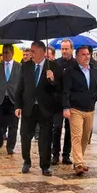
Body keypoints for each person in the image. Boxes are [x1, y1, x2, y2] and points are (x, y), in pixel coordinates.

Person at [62, 46, 97, 176]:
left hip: (90, 109)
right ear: (77, 57)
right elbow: (66, 91)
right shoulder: (70, 72)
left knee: (85, 137)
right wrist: (66, 107)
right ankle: (78, 163)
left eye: (88, 54)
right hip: (75, 109)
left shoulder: (95, 71)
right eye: (83, 54)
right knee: (77, 136)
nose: (87, 56)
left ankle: (79, 160)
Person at [15, 41, 61, 176]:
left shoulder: (53, 67)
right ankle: (26, 161)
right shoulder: (26, 66)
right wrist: (18, 106)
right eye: (30, 51)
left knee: (45, 138)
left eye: (33, 51)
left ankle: (45, 166)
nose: (31, 54)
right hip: (28, 108)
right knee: (25, 136)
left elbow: (59, 89)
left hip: (45, 108)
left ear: (42, 52)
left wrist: (52, 80)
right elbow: (20, 87)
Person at [0, 44, 21, 154]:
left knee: (13, 124)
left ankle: (10, 146)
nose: (5, 55)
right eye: (3, 52)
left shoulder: (19, 67)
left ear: (12, 53)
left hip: (13, 99)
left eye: (7, 52)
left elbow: (22, 84)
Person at [52, 38, 76, 165]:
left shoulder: (76, 64)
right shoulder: (56, 63)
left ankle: (66, 155)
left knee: (69, 130)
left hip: (71, 102)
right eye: (62, 49)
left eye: (66, 49)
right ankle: (55, 154)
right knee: (56, 128)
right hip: (57, 102)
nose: (64, 51)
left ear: (71, 49)